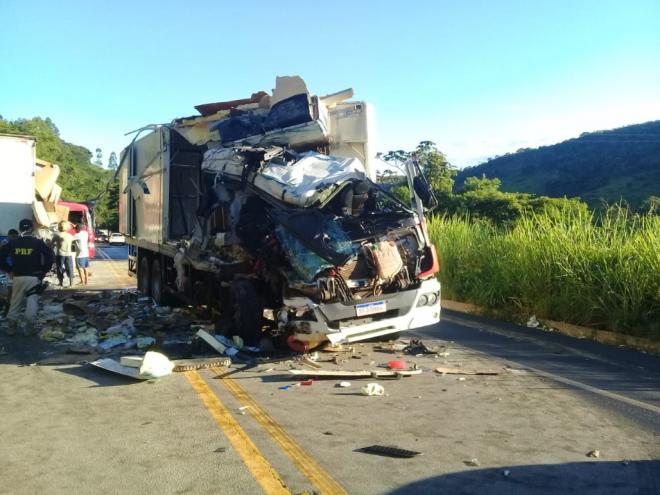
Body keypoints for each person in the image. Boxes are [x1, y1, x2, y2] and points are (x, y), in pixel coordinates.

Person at [0, 219, 54, 335]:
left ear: (20, 229)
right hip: (34, 277)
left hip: (18, 277)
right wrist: (43, 271)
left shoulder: (13, 242)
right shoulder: (37, 242)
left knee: (15, 302)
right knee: (32, 302)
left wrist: (9, 270)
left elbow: (1, 257)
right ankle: (29, 328)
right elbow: (50, 257)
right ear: (31, 229)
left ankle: (11, 327)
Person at [0, 229, 19, 316]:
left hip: (5, 269)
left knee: (8, 289)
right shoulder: (6, 243)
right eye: (14, 237)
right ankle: (6, 307)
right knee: (9, 289)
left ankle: (6, 307)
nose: (15, 238)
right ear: (10, 235)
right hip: (6, 270)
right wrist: (10, 270)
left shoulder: (5, 242)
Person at [52, 221, 75, 287]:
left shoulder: (57, 235)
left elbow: (51, 244)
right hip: (68, 254)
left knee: (59, 268)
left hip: (60, 254)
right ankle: (71, 283)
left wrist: (54, 245)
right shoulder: (70, 236)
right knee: (70, 268)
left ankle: (61, 282)